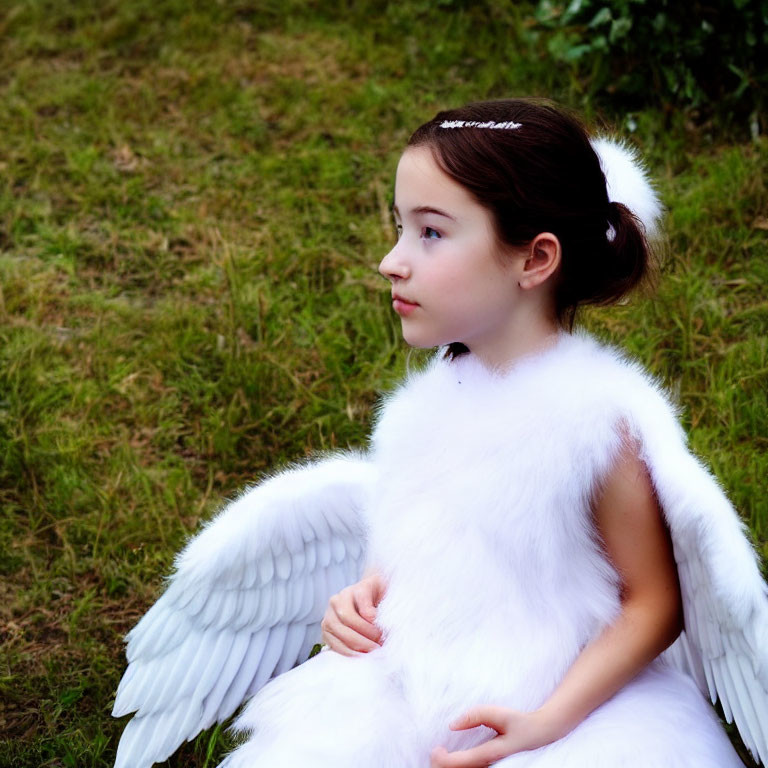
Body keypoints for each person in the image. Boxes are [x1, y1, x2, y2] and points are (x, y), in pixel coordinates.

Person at [113, 99, 766, 768]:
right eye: (400, 228)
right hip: (418, 687)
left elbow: (654, 603)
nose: (392, 261)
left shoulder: (594, 422)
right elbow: (413, 535)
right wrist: (363, 593)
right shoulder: (421, 408)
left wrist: (547, 721)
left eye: (431, 234)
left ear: (535, 259)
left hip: (561, 710)